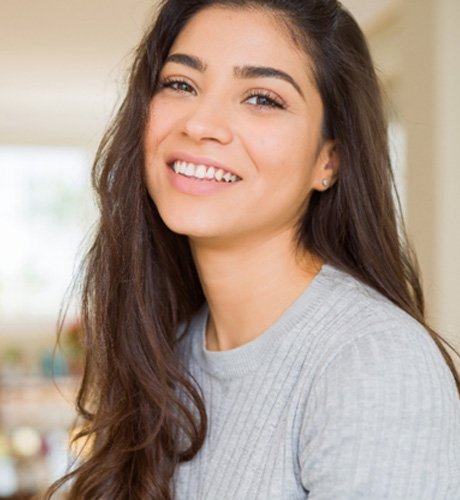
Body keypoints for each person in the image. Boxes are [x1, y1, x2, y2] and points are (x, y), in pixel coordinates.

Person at [47, 0, 460, 498]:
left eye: (262, 98)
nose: (200, 125)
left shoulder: (373, 363)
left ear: (327, 160)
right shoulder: (167, 353)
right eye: (181, 84)